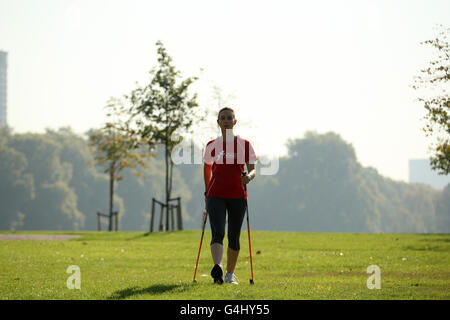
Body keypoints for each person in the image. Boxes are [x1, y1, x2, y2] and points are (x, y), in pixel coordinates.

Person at [203, 107, 257, 285]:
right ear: (218, 122)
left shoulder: (245, 144)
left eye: (229, 118)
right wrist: (206, 192)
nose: (226, 120)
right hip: (215, 194)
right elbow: (207, 169)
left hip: (237, 195)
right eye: (222, 118)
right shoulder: (212, 145)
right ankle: (217, 268)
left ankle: (229, 275)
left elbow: (253, 169)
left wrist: (248, 177)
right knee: (217, 232)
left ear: (235, 122)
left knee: (234, 236)